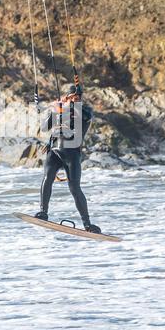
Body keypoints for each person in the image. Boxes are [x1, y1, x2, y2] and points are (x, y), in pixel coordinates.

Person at [35, 85, 101, 234]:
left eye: (78, 97)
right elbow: (45, 127)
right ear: (68, 96)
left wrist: (65, 107)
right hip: (54, 152)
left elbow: (84, 116)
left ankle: (87, 224)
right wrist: (54, 110)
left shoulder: (85, 111)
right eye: (73, 96)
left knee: (74, 188)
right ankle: (43, 212)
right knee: (47, 178)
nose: (76, 99)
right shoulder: (60, 110)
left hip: (72, 154)